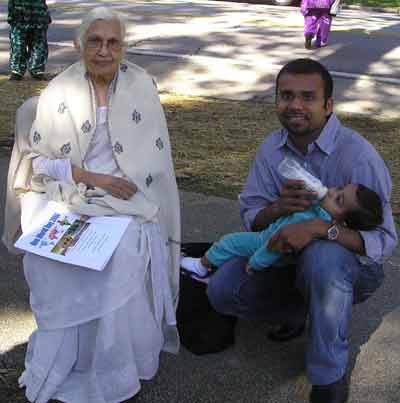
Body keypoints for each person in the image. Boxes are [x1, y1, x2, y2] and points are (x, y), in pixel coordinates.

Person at [2, 6, 180, 403]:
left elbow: (153, 160)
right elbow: (39, 162)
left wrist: (124, 186)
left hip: (128, 199)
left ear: (123, 47)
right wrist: (91, 178)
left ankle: (113, 370)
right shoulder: (58, 91)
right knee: (47, 256)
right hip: (71, 191)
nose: (103, 50)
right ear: (79, 45)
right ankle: (69, 360)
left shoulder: (142, 88)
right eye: (95, 41)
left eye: (112, 42)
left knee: (119, 254)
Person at [206, 58, 398, 403]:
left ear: (328, 106)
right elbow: (252, 216)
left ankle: (327, 376)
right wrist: (278, 208)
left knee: (323, 258)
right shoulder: (271, 150)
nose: (295, 105)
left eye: (307, 97)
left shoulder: (358, 157)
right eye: (286, 95)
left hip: (350, 269)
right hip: (281, 255)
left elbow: (383, 242)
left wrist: (319, 228)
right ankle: (297, 309)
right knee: (223, 289)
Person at [181, 184, 383, 277]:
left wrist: (256, 263)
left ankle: (202, 265)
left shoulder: (313, 221)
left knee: (229, 242)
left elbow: (276, 245)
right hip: (266, 236)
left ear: (342, 222)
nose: (331, 191)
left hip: (264, 243)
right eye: (339, 188)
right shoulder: (319, 209)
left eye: (338, 199)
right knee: (232, 249)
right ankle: (215, 267)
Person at [7, 0, 51, 80]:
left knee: (39, 44)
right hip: (19, 16)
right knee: (18, 45)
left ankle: (37, 70)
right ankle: (17, 71)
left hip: (38, 15)